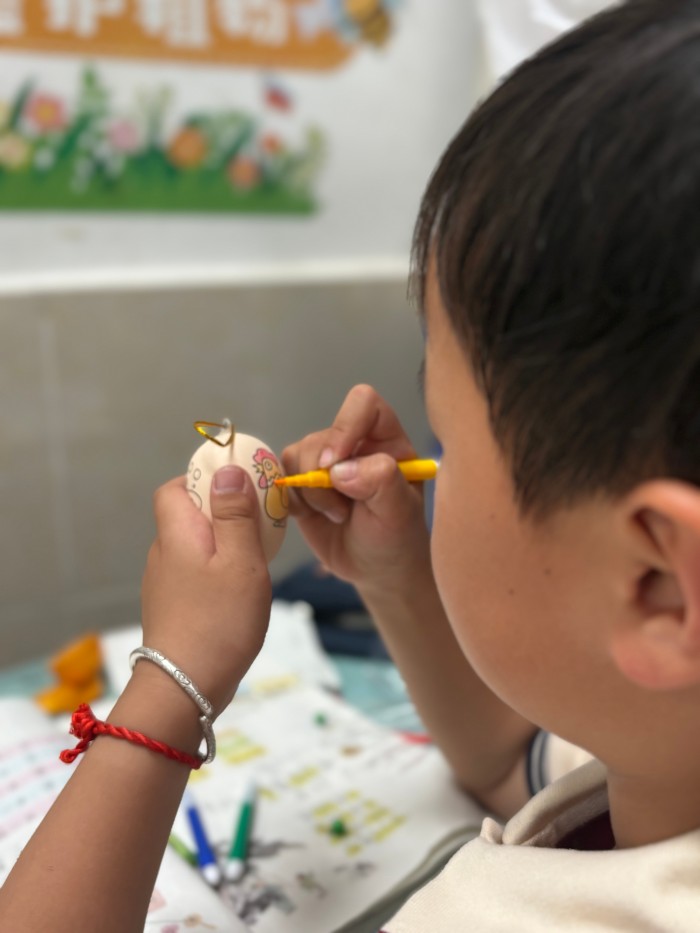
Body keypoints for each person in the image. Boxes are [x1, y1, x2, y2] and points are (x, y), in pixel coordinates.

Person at [3, 0, 700, 928]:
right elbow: (511, 763)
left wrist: (170, 684)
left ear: (660, 584)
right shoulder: (662, 756)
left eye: (452, 443)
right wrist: (397, 574)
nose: (432, 463)